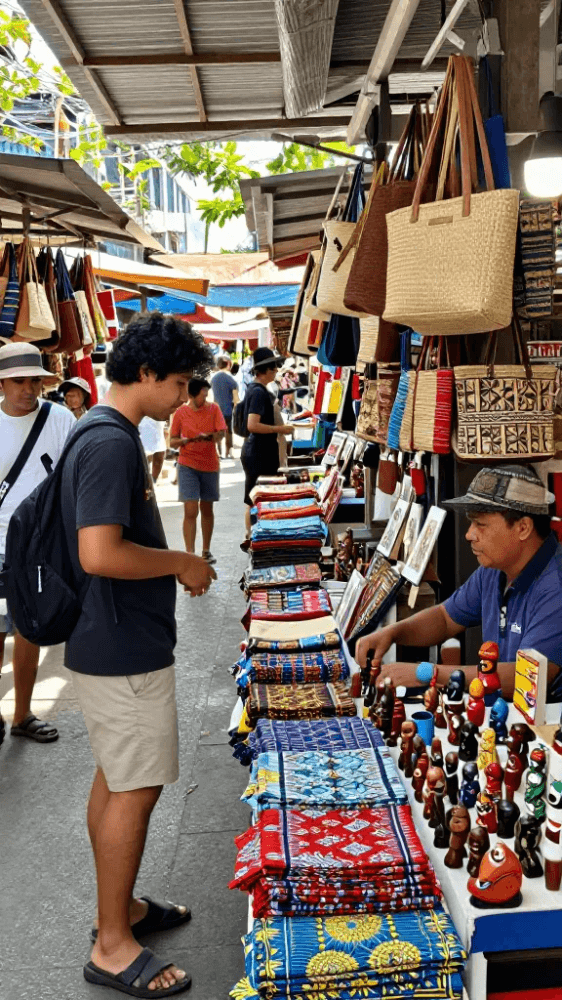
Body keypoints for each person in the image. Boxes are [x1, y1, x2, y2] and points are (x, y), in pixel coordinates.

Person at [58, 312, 216, 996]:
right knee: (135, 785)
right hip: (120, 641)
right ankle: (114, 945)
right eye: (178, 382)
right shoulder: (112, 442)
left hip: (113, 636)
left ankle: (118, 912)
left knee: (117, 778)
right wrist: (180, 559)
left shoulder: (104, 432)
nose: (184, 397)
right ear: (146, 372)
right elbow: (99, 551)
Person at [356, 465, 562, 700]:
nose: (469, 534)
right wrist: (393, 633)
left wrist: (427, 673)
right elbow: (445, 618)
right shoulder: (496, 570)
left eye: (480, 524)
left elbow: (526, 679)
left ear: (523, 527)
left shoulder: (555, 585)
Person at [0, 343, 76, 743]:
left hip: (42, 548)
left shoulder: (60, 419)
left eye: (35, 380)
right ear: (1, 383)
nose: (28, 389)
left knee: (31, 628)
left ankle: (22, 714)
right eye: (18, 381)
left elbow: (73, 479)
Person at [240, 347, 295, 540]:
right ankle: (252, 537)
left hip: (258, 451)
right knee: (256, 497)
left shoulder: (257, 389)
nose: (276, 371)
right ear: (267, 370)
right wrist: (280, 429)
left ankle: (253, 536)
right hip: (259, 452)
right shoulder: (258, 392)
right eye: (274, 368)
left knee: (257, 496)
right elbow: (252, 425)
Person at [170, 377, 226, 565]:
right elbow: (172, 441)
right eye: (203, 394)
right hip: (187, 464)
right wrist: (186, 441)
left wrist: (209, 436)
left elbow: (221, 433)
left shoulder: (213, 409)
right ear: (193, 395)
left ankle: (205, 550)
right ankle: (190, 553)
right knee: (190, 509)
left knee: (207, 508)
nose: (206, 397)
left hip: (210, 464)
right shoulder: (180, 413)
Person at [211, 355, 238, 459]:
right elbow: (236, 399)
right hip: (227, 410)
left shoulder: (213, 378)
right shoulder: (231, 379)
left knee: (217, 431)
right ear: (228, 364)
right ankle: (229, 452)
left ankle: (217, 453)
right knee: (228, 431)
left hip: (215, 410)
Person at [138, 415, 167, 482]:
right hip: (144, 423)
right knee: (143, 457)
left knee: (159, 455)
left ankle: (153, 481)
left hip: (158, 423)